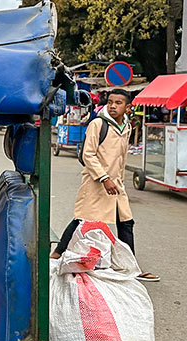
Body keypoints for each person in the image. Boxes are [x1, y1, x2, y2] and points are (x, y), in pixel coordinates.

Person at [51, 88, 160, 282]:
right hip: (96, 183)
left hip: (116, 184)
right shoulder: (98, 124)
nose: (113, 106)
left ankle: (132, 266)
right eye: (110, 102)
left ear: (128, 107)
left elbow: (122, 157)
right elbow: (88, 154)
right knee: (82, 220)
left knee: (126, 223)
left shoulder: (127, 127)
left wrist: (119, 180)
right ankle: (58, 253)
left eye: (118, 103)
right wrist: (104, 178)